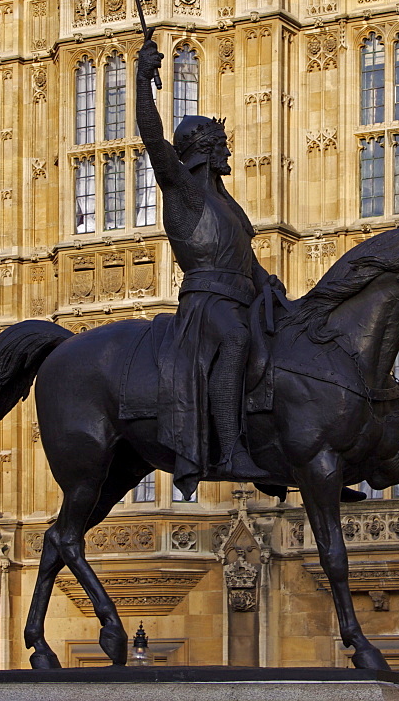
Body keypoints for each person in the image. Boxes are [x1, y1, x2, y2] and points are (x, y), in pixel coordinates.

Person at [136, 37, 276, 492]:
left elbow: (246, 260)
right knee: (236, 340)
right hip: (208, 302)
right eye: (220, 145)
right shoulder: (184, 191)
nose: (228, 153)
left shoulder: (227, 205)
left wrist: (270, 285)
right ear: (203, 149)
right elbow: (153, 139)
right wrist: (142, 79)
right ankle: (231, 449)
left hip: (241, 296)